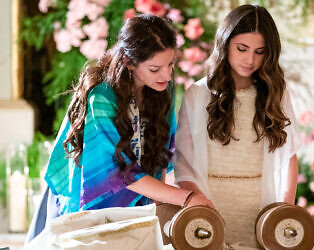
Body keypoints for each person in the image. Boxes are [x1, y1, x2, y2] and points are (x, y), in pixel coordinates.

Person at [25, 14, 212, 243]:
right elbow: (116, 172)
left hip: (136, 199)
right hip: (85, 199)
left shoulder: (162, 89)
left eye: (170, 65)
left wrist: (160, 206)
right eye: (155, 69)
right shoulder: (102, 97)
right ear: (129, 62)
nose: (166, 75)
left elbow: (161, 151)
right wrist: (186, 197)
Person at [173, 5, 301, 248]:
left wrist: (284, 213)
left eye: (259, 52)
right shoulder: (197, 95)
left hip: (262, 212)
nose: (250, 59)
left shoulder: (276, 94)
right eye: (242, 49)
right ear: (225, 43)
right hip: (209, 213)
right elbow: (184, 166)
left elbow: (289, 156)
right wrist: (201, 209)